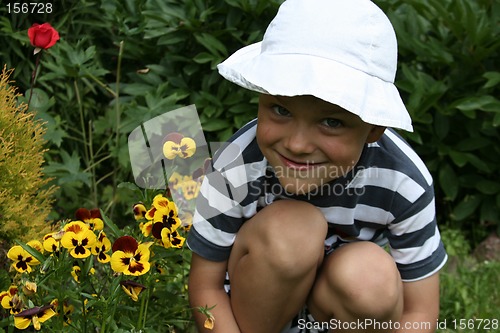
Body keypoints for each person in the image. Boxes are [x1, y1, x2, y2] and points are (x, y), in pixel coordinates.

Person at [186, 0, 448, 332]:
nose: (297, 144)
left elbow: (419, 313)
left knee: (370, 275)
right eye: (281, 110)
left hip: (340, 313)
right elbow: (205, 287)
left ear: (374, 128)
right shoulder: (235, 167)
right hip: (250, 317)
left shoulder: (403, 182)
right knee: (293, 228)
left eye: (331, 122)